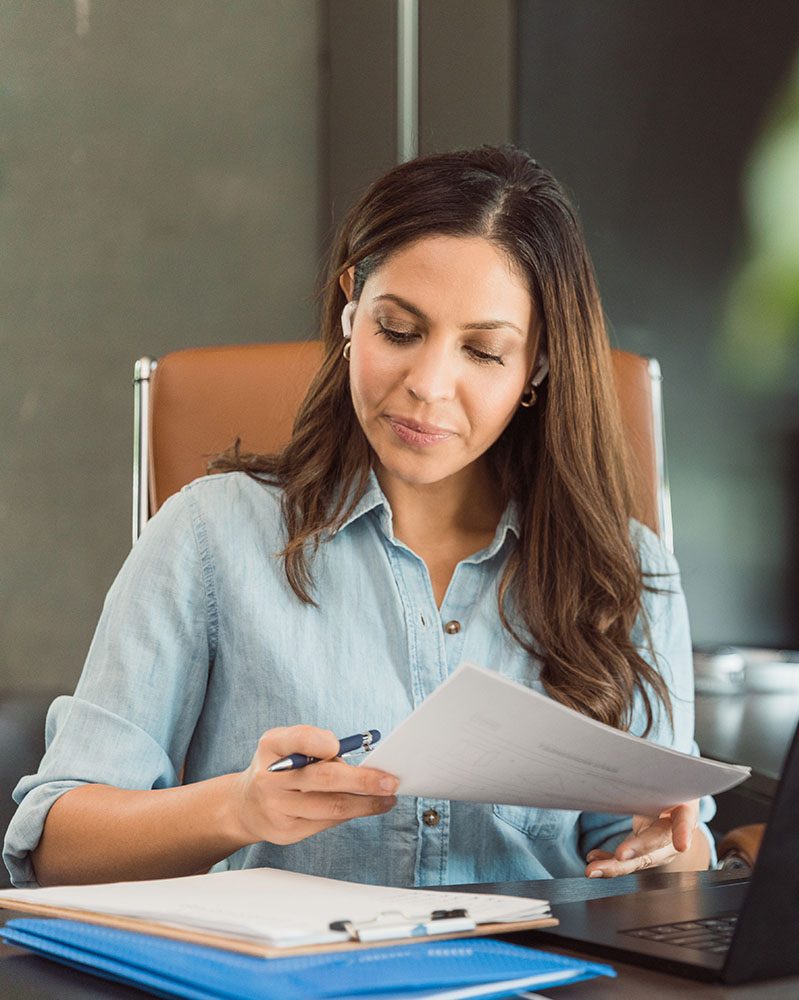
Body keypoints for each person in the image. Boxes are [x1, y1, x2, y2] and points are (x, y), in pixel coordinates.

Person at [4, 144, 715, 890]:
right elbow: (55, 848)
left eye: (482, 352)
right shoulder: (210, 536)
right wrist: (239, 810)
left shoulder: (625, 568)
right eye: (399, 331)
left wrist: (671, 848)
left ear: (538, 364)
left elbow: (663, 864)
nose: (429, 386)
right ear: (351, 308)